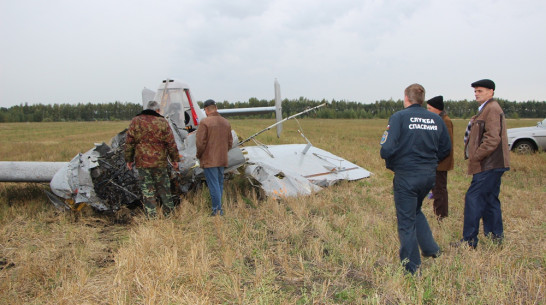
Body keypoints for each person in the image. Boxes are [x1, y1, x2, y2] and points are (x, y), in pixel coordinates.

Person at [380, 84, 451, 274]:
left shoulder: (399, 117)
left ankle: (412, 269)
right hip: (428, 176)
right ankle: (431, 249)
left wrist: (395, 162)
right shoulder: (436, 119)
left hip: (406, 176)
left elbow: (386, 149)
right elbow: (446, 148)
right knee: (416, 211)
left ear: (406, 98)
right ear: (422, 99)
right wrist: (430, 161)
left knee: (405, 221)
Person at [459, 79, 510, 248]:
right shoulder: (486, 109)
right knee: (489, 199)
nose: (476, 93)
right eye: (475, 91)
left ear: (491, 91)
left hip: (489, 164)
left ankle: (469, 241)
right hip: (492, 164)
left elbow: (492, 139)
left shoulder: (492, 109)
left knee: (473, 198)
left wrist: (476, 156)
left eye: (480, 91)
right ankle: (495, 237)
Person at [125, 100, 180, 217]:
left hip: (142, 163)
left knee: (147, 190)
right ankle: (169, 213)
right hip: (160, 162)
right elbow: (171, 143)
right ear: (157, 110)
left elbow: (129, 142)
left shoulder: (136, 121)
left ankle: (151, 215)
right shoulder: (162, 122)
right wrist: (175, 160)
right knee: (164, 188)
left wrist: (129, 159)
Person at [196, 99, 233, 216]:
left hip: (209, 160)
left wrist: (198, 155)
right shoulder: (226, 122)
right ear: (216, 108)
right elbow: (230, 142)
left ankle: (217, 211)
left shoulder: (204, 122)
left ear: (206, 110)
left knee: (213, 185)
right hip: (222, 159)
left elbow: (200, 143)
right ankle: (218, 208)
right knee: (219, 183)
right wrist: (222, 152)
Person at [426, 96, 454, 220]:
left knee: (440, 190)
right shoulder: (438, 119)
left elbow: (447, 145)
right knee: (436, 189)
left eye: (429, 108)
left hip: (441, 162)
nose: (427, 111)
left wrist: (435, 159)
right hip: (436, 161)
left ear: (437, 109)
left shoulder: (445, 121)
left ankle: (441, 216)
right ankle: (439, 213)